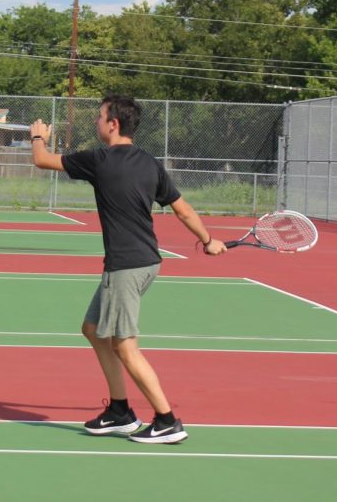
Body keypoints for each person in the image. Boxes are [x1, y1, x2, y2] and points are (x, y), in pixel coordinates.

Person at [30, 94, 226, 444]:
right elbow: (182, 209)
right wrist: (208, 240)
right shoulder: (150, 163)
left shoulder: (100, 160)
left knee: (124, 346)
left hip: (126, 266)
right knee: (93, 328)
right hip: (145, 261)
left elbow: (42, 160)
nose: (96, 122)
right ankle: (120, 411)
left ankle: (167, 421)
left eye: (99, 116)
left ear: (113, 124)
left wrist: (37, 135)